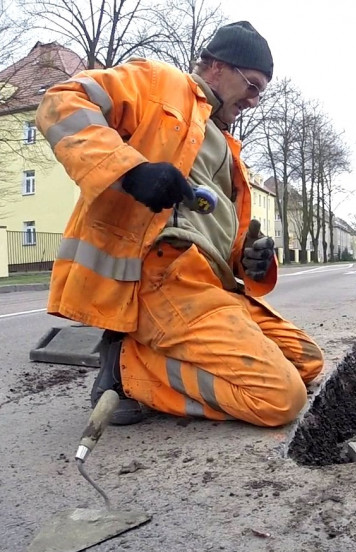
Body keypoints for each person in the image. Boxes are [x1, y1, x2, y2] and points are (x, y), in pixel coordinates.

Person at [37, 21, 323, 427]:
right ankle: (128, 366)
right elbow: (62, 101)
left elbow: (217, 233)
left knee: (308, 363)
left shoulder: (226, 146)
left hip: (214, 289)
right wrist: (131, 171)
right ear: (218, 67)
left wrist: (249, 261)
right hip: (165, 280)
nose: (255, 101)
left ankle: (151, 355)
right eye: (253, 85)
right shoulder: (159, 84)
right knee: (280, 398)